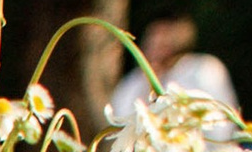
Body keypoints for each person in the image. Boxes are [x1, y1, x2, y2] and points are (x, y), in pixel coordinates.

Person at [103, 14, 240, 136]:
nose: (155, 43)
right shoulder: (137, 78)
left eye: (163, 37)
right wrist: (148, 84)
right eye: (152, 37)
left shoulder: (203, 68)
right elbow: (120, 118)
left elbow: (223, 127)